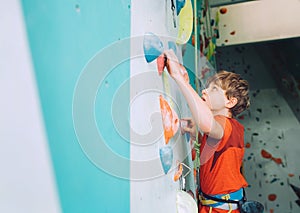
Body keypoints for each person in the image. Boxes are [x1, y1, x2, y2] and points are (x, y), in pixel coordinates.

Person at [163, 50, 250, 213]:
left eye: (214, 89)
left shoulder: (227, 126)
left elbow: (208, 124)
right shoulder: (229, 129)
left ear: (230, 102)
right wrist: (196, 131)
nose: (205, 91)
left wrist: (179, 79)